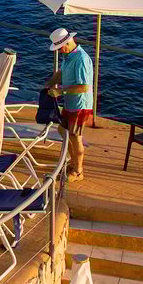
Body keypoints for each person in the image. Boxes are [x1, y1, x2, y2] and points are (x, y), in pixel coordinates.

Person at [45, 27, 94, 181]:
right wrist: (49, 84)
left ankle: (78, 171)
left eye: (60, 48)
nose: (59, 51)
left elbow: (84, 87)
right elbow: (61, 73)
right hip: (71, 103)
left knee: (75, 136)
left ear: (66, 43)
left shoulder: (81, 59)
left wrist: (60, 91)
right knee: (63, 131)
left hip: (80, 105)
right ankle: (73, 163)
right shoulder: (68, 55)